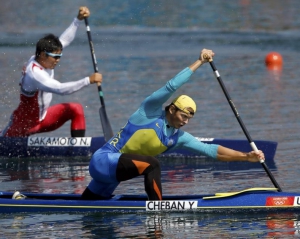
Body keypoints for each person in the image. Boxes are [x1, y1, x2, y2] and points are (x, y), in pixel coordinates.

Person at [81, 49, 265, 201]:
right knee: (152, 165)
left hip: (111, 177)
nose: (185, 121)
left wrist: (246, 157)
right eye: (183, 116)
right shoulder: (148, 111)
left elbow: (211, 151)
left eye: (189, 119)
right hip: (103, 160)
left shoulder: (178, 137)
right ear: (171, 109)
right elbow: (171, 86)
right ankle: (158, 213)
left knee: (88, 208)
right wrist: (199, 62)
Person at [1, 6, 102, 138]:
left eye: (59, 56)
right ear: (43, 55)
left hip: (43, 119)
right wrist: (88, 80)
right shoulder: (35, 74)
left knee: (76, 109)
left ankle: (79, 150)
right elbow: (60, 89)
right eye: (55, 57)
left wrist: (77, 20)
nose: (58, 60)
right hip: (23, 125)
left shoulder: (43, 56)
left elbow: (65, 40)